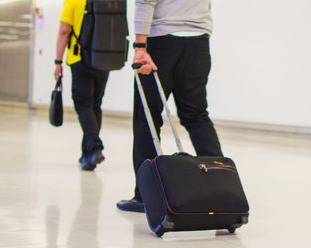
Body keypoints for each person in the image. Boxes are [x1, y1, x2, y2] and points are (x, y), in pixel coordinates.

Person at [117, 0, 224, 212]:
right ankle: (221, 188)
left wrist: (139, 46)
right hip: (198, 42)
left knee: (147, 117)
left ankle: (146, 196)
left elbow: (145, 2)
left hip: (162, 42)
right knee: (196, 116)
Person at [54, 0, 109, 171]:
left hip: (81, 59)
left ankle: (94, 148)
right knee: (94, 106)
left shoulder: (73, 1)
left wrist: (58, 62)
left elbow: (64, 31)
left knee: (83, 104)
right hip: (104, 60)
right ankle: (87, 154)